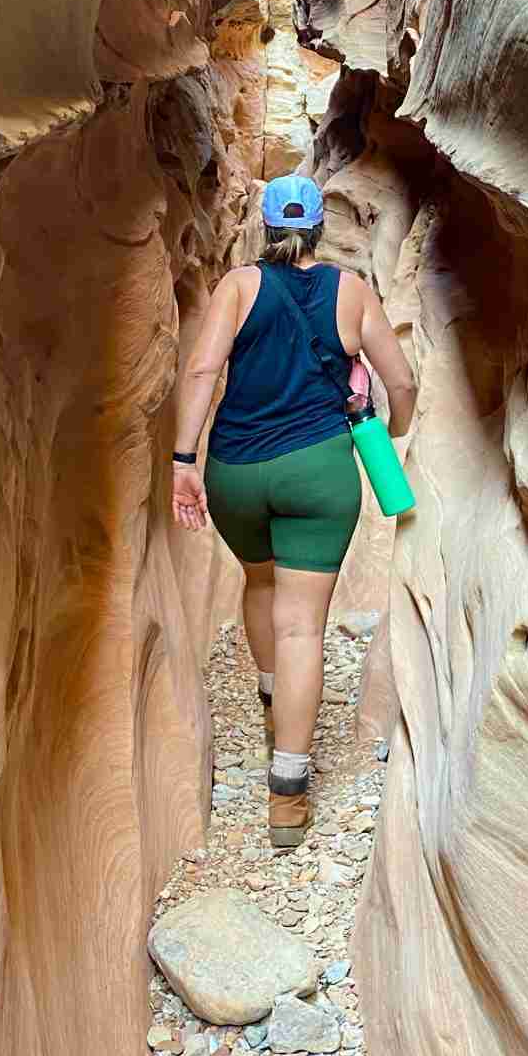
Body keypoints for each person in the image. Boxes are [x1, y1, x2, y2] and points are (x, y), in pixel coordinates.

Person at [169, 173, 417, 849]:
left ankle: (275, 698)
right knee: (303, 626)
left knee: (260, 580)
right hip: (319, 473)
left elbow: (201, 372)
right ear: (315, 231)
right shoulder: (351, 291)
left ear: (265, 225)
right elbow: (401, 380)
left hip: (238, 472)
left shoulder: (237, 287)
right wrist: (390, 431)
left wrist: (183, 461)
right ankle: (287, 796)